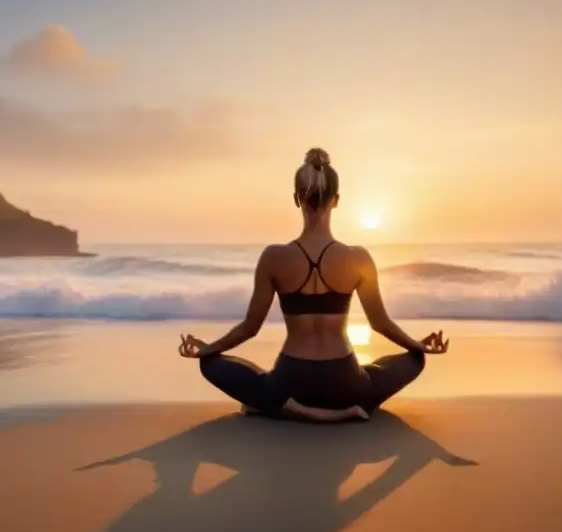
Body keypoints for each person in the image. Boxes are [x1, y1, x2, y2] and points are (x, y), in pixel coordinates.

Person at [177, 147, 449, 423]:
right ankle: (342, 410)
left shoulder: (274, 257)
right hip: (345, 383)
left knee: (213, 366)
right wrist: (418, 346)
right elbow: (380, 324)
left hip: (290, 380)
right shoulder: (358, 258)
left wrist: (208, 349)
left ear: (297, 199)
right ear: (337, 200)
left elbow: (250, 328)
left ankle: (288, 407)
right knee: (413, 361)